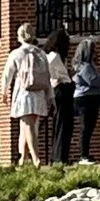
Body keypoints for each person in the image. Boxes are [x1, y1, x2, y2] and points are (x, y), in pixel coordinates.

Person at [1, 22, 52, 165]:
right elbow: (47, 75)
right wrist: (50, 95)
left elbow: (7, 74)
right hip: (39, 93)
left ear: (19, 37)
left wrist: (3, 91)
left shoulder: (16, 54)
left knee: (27, 126)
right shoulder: (41, 53)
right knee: (26, 126)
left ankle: (36, 158)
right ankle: (23, 159)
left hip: (24, 93)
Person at [44, 30, 76, 165]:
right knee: (63, 125)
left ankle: (60, 155)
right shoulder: (54, 57)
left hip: (61, 90)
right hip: (61, 90)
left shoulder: (54, 56)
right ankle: (59, 156)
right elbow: (55, 74)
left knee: (62, 125)